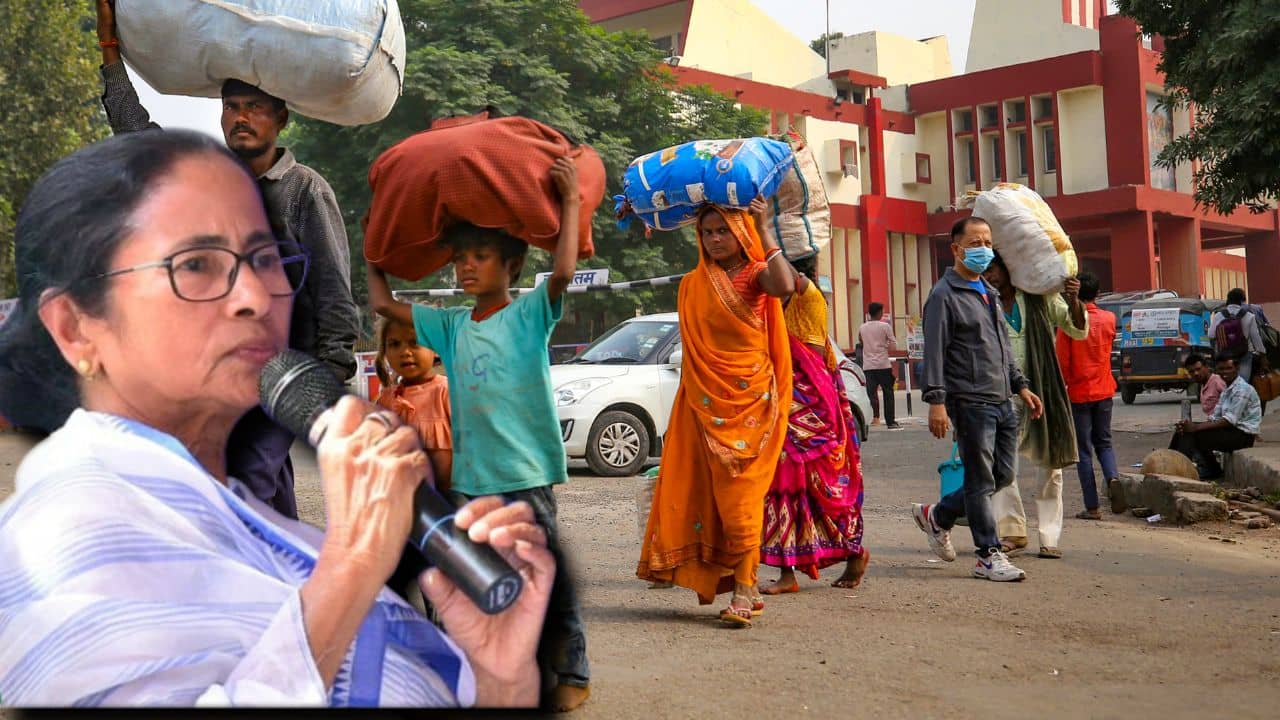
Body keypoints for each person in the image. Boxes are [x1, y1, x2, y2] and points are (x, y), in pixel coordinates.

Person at [0, 130, 553, 707]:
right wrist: (355, 565)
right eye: (196, 264)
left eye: (265, 258)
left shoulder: (269, 531)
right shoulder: (65, 538)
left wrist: (498, 677)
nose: (258, 297)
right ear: (75, 328)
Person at [95, 0, 360, 520]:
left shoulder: (304, 191)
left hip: (280, 376)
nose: (240, 116)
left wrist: (329, 379)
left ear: (281, 118)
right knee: (259, 492)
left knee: (248, 483)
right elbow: (136, 135)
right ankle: (283, 586)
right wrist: (110, 51)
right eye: (231, 105)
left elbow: (333, 291)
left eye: (255, 107)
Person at [366, 157, 590, 712]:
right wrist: (375, 250)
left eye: (480, 258)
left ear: (510, 267)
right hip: (471, 484)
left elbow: (560, 274)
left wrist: (569, 203)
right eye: (460, 259)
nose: (466, 268)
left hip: (527, 478)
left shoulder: (533, 314)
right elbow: (381, 303)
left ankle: (573, 672)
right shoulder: (450, 325)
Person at [637, 199, 795, 626]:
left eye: (723, 230)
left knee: (741, 492)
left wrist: (765, 229)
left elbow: (785, 287)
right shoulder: (694, 282)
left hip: (751, 400)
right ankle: (746, 584)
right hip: (703, 400)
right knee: (710, 492)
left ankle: (746, 588)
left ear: (740, 232)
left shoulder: (754, 274)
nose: (714, 239)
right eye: (707, 232)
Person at [910, 216, 1043, 582]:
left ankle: (936, 516)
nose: (983, 249)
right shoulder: (943, 296)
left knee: (1002, 474)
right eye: (975, 243)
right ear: (956, 249)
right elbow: (935, 352)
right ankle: (988, 554)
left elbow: (1002, 347)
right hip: (969, 402)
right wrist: (937, 403)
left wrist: (1021, 385)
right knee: (982, 480)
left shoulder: (989, 291)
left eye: (987, 242)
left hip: (1002, 400)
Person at [759, 254, 869, 595]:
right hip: (786, 406)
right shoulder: (772, 308)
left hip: (810, 409)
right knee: (789, 489)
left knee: (819, 488)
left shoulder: (808, 297)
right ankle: (789, 571)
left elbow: (790, 275)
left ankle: (851, 551)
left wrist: (763, 232)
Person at [983, 252, 1086, 559]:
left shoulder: (1039, 298)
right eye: (985, 271)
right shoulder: (985, 303)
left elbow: (1075, 327)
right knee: (1001, 465)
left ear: (1008, 267)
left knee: (1050, 466)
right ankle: (1012, 531)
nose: (989, 276)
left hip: (1043, 389)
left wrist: (1074, 299)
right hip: (1002, 393)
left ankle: (1049, 536)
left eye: (994, 269)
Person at [1054, 272, 1117, 521]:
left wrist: (1065, 387)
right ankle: (1112, 478)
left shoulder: (1068, 323)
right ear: (1098, 293)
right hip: (1104, 390)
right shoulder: (1110, 319)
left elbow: (1063, 361)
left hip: (1079, 393)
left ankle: (1092, 507)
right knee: (1105, 442)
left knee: (1083, 452)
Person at [374, 316, 453, 491]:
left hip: (448, 500)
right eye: (395, 344)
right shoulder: (385, 400)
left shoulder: (447, 393)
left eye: (415, 342)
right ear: (384, 352)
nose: (405, 352)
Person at [1169, 353, 1262, 480]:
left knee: (1194, 433)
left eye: (1228, 368)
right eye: (1221, 369)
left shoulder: (1242, 389)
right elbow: (1215, 416)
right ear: (1216, 370)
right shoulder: (1227, 390)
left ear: (1237, 368)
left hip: (1242, 436)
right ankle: (1169, 464)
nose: (1225, 373)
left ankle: (1178, 473)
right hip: (1230, 432)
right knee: (1183, 431)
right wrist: (1190, 426)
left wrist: (1196, 427)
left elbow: (1229, 420)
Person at [1209, 288, 1266, 383]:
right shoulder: (1249, 316)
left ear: (1228, 300)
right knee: (1242, 382)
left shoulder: (1219, 315)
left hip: (1224, 354)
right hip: (1243, 353)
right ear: (1242, 300)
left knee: (1225, 383)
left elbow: (1211, 335)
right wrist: (1262, 353)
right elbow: (1255, 337)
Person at [858, 301, 900, 429]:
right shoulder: (885, 327)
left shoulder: (862, 327)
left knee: (871, 393)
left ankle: (875, 417)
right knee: (888, 392)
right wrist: (885, 346)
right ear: (880, 313)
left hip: (868, 365)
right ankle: (890, 421)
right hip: (883, 364)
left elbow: (860, 341)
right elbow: (894, 345)